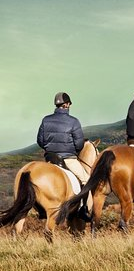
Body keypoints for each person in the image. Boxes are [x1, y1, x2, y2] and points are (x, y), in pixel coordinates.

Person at [37, 92, 92, 220]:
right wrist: (71, 150)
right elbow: (79, 144)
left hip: (50, 158)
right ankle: (82, 209)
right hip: (68, 158)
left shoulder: (46, 120)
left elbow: (40, 141)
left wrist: (50, 149)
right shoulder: (73, 121)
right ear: (67, 104)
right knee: (87, 180)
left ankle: (41, 209)